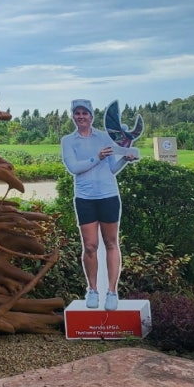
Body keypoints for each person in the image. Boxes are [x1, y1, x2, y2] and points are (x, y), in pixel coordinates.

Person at [60, 99, 137, 312]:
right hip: (85, 198)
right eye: (77, 113)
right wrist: (97, 157)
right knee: (90, 246)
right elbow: (74, 167)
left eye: (85, 113)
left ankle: (112, 292)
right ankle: (92, 290)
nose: (81, 116)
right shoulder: (68, 141)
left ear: (91, 116)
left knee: (111, 243)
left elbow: (111, 168)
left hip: (108, 195)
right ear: (73, 116)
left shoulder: (104, 137)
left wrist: (125, 159)